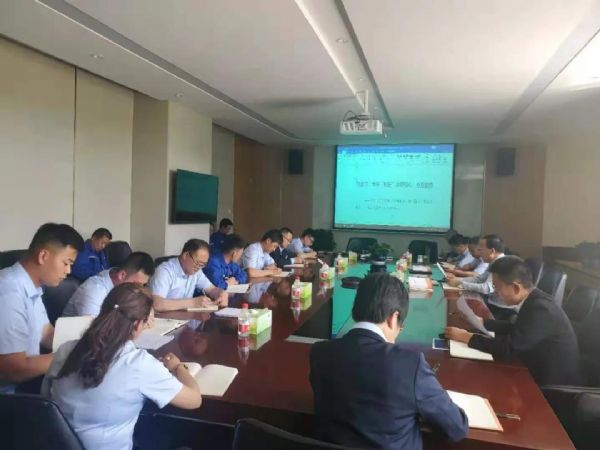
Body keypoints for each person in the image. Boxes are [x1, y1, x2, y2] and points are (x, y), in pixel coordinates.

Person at [310, 273, 468, 450]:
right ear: (393, 318)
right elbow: (456, 428)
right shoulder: (410, 364)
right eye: (401, 326)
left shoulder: (319, 352)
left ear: (355, 311)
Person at [42, 283, 202, 449]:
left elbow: (47, 397)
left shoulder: (65, 350)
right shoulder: (139, 364)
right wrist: (178, 367)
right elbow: (194, 400)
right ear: (138, 325)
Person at [445, 256, 580, 386]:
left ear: (516, 287)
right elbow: (517, 327)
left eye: (497, 288)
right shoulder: (534, 300)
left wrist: (467, 337)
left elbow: (510, 348)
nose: (495, 292)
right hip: (533, 365)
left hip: (546, 382)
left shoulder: (541, 309)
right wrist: (482, 322)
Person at [0, 223, 84, 393]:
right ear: (43, 256)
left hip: (27, 382)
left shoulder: (32, 287)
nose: (68, 271)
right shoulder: (8, 292)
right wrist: (72, 355)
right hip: (11, 396)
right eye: (66, 263)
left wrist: (88, 341)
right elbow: (13, 369)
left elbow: (46, 334)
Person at [62, 252, 155, 317]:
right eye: (137, 284)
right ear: (122, 275)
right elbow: (94, 333)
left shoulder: (123, 285)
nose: (138, 290)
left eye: (142, 285)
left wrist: (147, 312)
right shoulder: (94, 291)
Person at [447, 234, 516, 318]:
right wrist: (458, 280)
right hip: (492, 304)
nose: (479, 253)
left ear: (492, 251)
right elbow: (480, 279)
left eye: (481, 250)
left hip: (501, 310)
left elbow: (487, 288)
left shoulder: (501, 264)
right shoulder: (495, 262)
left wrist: (461, 284)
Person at [149, 239, 228, 312]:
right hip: (165, 319)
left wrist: (221, 293)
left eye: (203, 264)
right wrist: (192, 302)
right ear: (186, 255)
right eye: (197, 263)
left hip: (184, 318)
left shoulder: (197, 271)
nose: (199, 267)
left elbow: (211, 289)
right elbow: (156, 304)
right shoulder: (165, 271)